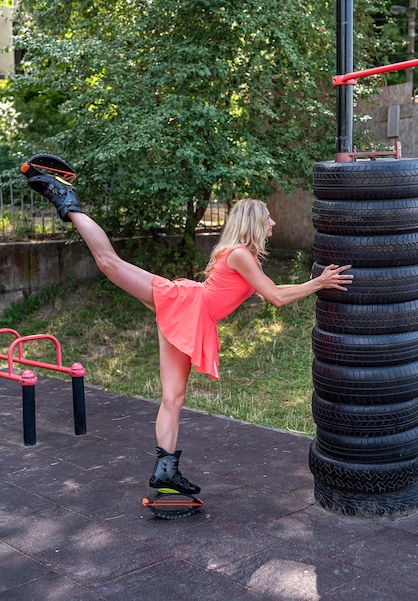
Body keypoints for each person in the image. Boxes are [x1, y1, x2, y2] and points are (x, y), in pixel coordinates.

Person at [23, 169, 353, 495]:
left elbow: (273, 288)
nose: (273, 223)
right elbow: (277, 297)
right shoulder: (239, 254)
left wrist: (315, 283)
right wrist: (319, 282)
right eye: (268, 217)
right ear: (254, 221)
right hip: (186, 304)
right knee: (110, 263)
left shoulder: (245, 256)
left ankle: (166, 469)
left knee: (173, 398)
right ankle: (66, 199)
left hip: (193, 315)